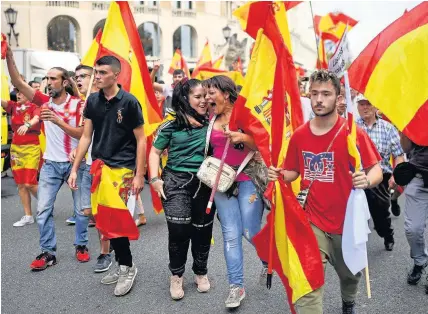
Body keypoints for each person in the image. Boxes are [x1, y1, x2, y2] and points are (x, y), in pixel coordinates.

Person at [268, 70, 382, 314]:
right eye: (314, 93)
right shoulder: (299, 135)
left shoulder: (352, 132)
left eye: (326, 94)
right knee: (308, 284)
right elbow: (293, 172)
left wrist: (366, 180)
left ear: (338, 97)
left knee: (350, 274)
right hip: (312, 221)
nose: (319, 99)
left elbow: (377, 170)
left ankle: (348, 302)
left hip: (347, 223)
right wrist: (279, 175)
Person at [5, 44, 90, 269]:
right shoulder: (43, 102)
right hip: (51, 165)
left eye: (53, 78)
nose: (49, 82)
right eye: (47, 78)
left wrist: (57, 120)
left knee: (81, 210)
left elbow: (82, 134)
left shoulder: (80, 105)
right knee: (43, 210)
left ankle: (81, 244)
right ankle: (47, 252)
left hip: (76, 164)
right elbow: (18, 83)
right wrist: (9, 56)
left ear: (64, 82)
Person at [68, 56, 145, 297]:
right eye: (96, 72)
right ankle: (123, 262)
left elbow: (142, 139)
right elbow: (85, 137)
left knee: (116, 221)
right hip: (98, 168)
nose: (97, 76)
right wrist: (74, 169)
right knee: (103, 222)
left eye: (102, 72)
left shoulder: (130, 102)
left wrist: (140, 174)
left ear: (115, 75)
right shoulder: (92, 100)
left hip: (122, 169)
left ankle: (127, 267)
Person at [149, 78, 215, 300]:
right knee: (178, 231)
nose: (204, 100)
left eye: (205, 96)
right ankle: (176, 275)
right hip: (175, 182)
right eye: (198, 97)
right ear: (185, 99)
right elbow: (155, 152)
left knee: (202, 230)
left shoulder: (213, 124)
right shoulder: (170, 124)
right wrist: (154, 179)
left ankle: (200, 272)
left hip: (205, 183)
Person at [205, 75, 263, 309]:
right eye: (206, 93)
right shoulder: (209, 116)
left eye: (211, 93)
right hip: (221, 182)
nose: (208, 97)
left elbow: (263, 143)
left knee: (250, 230)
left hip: (248, 177)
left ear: (226, 94)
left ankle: (270, 258)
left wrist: (243, 137)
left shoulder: (245, 114)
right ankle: (236, 287)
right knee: (230, 233)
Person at [69, 64, 113, 273]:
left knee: (100, 212)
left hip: (107, 166)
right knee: (89, 211)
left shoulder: (111, 102)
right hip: (88, 165)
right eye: (76, 77)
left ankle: (106, 253)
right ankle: (112, 238)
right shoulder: (88, 103)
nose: (79, 80)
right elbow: (86, 136)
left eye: (83, 76)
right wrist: (77, 162)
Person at [356, 96, 404, 251]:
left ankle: (387, 233)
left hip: (380, 177)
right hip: (357, 177)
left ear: (375, 106)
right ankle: (357, 244)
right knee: (357, 213)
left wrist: (397, 174)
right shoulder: (351, 127)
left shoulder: (387, 128)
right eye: (361, 104)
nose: (364, 107)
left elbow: (399, 154)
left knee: (380, 214)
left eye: (367, 104)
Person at [1, 87, 41, 227]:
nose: (19, 95)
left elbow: (37, 117)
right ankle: (28, 215)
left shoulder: (35, 106)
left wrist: (28, 124)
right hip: (16, 150)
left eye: (22, 92)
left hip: (31, 148)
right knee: (21, 184)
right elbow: (2, 102)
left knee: (30, 183)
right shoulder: (13, 106)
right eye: (17, 92)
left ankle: (45, 204)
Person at [399, 134, 428, 293]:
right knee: (413, 229)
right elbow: (406, 149)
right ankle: (420, 261)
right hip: (418, 177)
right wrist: (404, 132)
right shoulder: (416, 114)